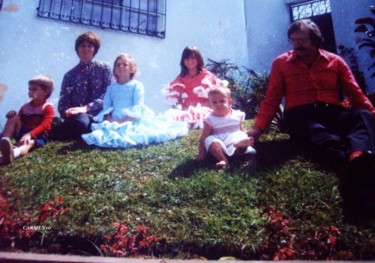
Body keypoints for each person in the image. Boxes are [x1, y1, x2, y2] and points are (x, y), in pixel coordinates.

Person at [247, 19, 375, 223]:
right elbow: (272, 98)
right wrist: (257, 129)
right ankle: (354, 170)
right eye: (293, 40)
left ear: (315, 40)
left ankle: (358, 156)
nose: (297, 45)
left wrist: (371, 113)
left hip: (332, 112)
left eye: (302, 40)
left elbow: (356, 94)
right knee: (318, 133)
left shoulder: (335, 61)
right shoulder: (281, 63)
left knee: (362, 116)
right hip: (300, 115)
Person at [82, 53, 188, 148]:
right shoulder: (111, 88)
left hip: (132, 120)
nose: (121, 67)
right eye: (118, 65)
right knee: (104, 134)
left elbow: (138, 106)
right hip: (113, 120)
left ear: (132, 69)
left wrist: (123, 121)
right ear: (114, 70)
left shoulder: (136, 86)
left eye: (125, 64)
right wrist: (110, 120)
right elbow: (107, 107)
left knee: (135, 133)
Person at [50, 31, 112, 140]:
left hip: (101, 114)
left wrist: (86, 108)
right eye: (82, 46)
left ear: (95, 49)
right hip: (79, 118)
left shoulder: (104, 68)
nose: (86, 49)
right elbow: (62, 104)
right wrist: (70, 112)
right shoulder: (70, 75)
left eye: (90, 46)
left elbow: (108, 95)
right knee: (82, 123)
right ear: (77, 49)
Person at [196, 85, 256, 169]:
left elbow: (241, 129)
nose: (218, 105)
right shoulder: (210, 119)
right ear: (210, 105)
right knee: (209, 140)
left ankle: (241, 147)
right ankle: (223, 159)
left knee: (242, 135)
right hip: (219, 144)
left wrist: (247, 133)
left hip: (234, 142)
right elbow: (204, 136)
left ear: (230, 102)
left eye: (222, 101)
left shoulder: (237, 115)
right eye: (214, 102)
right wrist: (202, 152)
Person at [0, 75, 55, 165]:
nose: (30, 92)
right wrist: (12, 115)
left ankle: (12, 154)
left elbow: (46, 125)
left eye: (34, 89)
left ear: (45, 91)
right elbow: (19, 120)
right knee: (14, 118)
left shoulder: (47, 107)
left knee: (28, 144)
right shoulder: (25, 107)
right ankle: (4, 140)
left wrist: (30, 134)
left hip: (38, 136)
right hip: (23, 133)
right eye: (29, 89)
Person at [163, 46, 218, 129]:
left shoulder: (208, 77)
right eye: (187, 58)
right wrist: (188, 111)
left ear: (198, 59)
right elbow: (178, 103)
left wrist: (199, 110)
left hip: (206, 114)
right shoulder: (179, 80)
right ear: (183, 60)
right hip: (186, 115)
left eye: (193, 58)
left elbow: (215, 98)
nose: (190, 61)